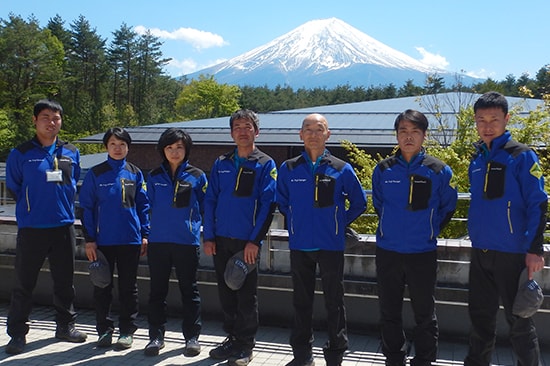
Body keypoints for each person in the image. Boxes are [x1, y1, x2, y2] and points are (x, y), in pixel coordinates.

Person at [277, 113, 367, 366]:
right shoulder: (289, 168)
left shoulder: (341, 168)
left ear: (328, 135)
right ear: (300, 135)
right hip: (300, 244)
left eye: (319, 129)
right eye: (308, 129)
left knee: (334, 303)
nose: (313, 134)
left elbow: (360, 202)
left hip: (331, 244)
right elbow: (282, 200)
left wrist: (338, 224)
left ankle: (335, 353)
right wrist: (296, 221)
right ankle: (303, 355)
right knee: (301, 302)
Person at [464, 92, 547, 366]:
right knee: (480, 322)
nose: (487, 126)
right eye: (481, 120)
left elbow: (538, 202)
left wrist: (534, 249)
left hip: (512, 254)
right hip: (481, 252)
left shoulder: (522, 156)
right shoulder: (476, 159)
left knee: (520, 323)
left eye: (494, 120)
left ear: (507, 119)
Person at [371, 109, 458, 366]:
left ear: (424, 136)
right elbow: (379, 204)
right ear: (396, 135)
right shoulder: (383, 170)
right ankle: (394, 357)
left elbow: (448, 207)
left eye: (415, 132)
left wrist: (428, 230)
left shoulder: (439, 170)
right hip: (388, 251)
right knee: (389, 311)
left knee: (424, 313)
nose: (408, 137)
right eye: (403, 132)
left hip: (422, 252)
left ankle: (424, 359)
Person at [4, 99, 88, 355]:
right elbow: (14, 185)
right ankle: (17, 334)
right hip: (32, 227)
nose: (51, 122)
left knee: (64, 282)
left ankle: (65, 326)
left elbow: (73, 181)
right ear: (35, 121)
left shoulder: (71, 151)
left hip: (63, 226)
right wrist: (32, 206)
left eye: (56, 118)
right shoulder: (21, 153)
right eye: (45, 117)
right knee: (24, 283)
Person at [203, 109, 277, 366]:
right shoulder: (221, 162)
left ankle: (245, 345)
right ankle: (232, 338)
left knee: (246, 296)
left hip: (247, 243)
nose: (242, 131)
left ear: (256, 131)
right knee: (226, 292)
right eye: (237, 127)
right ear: (231, 132)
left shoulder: (265, 163)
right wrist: (209, 235)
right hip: (221, 238)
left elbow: (268, 205)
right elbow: (210, 199)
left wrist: (254, 242)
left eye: (248, 126)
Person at [79, 127, 150, 350]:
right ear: (106, 147)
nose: (117, 148)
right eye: (113, 144)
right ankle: (104, 331)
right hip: (102, 242)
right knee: (102, 286)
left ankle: (127, 331)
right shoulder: (96, 173)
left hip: (130, 240)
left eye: (122, 144)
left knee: (129, 288)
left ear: (128, 147)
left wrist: (145, 234)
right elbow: (86, 208)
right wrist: (89, 238)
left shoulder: (135, 173)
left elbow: (143, 205)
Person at [144, 128, 208, 357]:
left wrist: (204, 234)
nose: (174, 151)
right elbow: (145, 206)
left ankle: (191, 337)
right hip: (158, 242)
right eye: (170, 147)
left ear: (186, 149)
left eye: (179, 147)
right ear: (163, 149)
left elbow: (206, 207)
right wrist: (145, 233)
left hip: (186, 242)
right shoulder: (153, 176)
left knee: (189, 291)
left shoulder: (198, 176)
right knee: (157, 291)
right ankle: (155, 336)